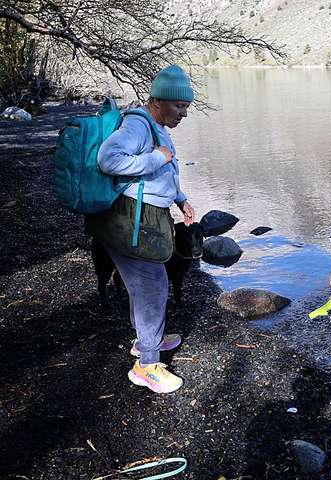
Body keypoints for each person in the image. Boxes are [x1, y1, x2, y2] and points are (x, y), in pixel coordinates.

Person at [96, 64, 195, 393]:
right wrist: (156, 159)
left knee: (145, 286)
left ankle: (145, 342)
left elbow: (163, 171)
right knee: (152, 287)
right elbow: (108, 159)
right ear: (158, 101)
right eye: (179, 106)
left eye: (186, 107)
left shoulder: (157, 125)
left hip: (144, 218)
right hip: (130, 221)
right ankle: (147, 366)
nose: (183, 113)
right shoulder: (138, 124)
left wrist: (181, 200)